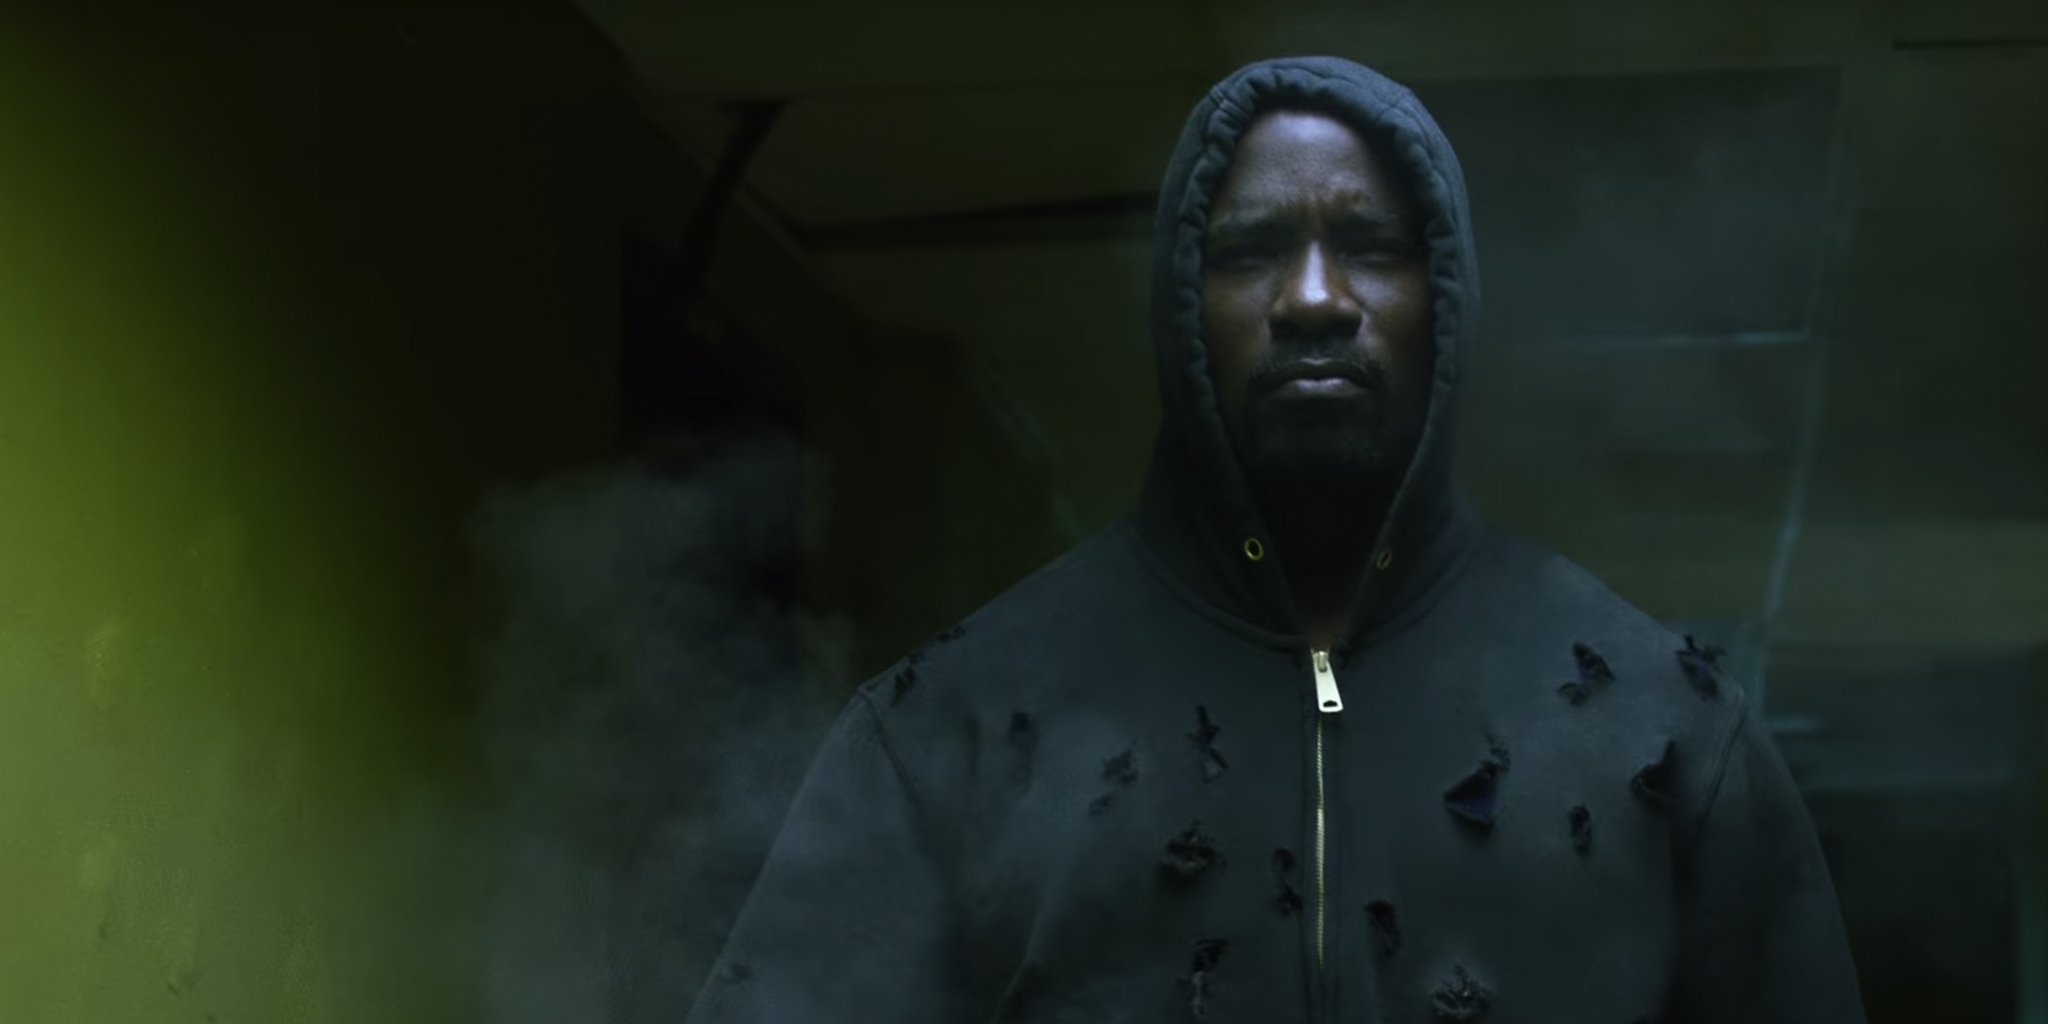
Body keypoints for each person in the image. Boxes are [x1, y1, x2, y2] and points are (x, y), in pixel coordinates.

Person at [685, 56, 1866, 1023]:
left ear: (1445, 301)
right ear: (1178, 311)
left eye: (1371, 246)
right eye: (1249, 252)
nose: (1311, 298)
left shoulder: (1662, 734)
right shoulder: (953, 732)